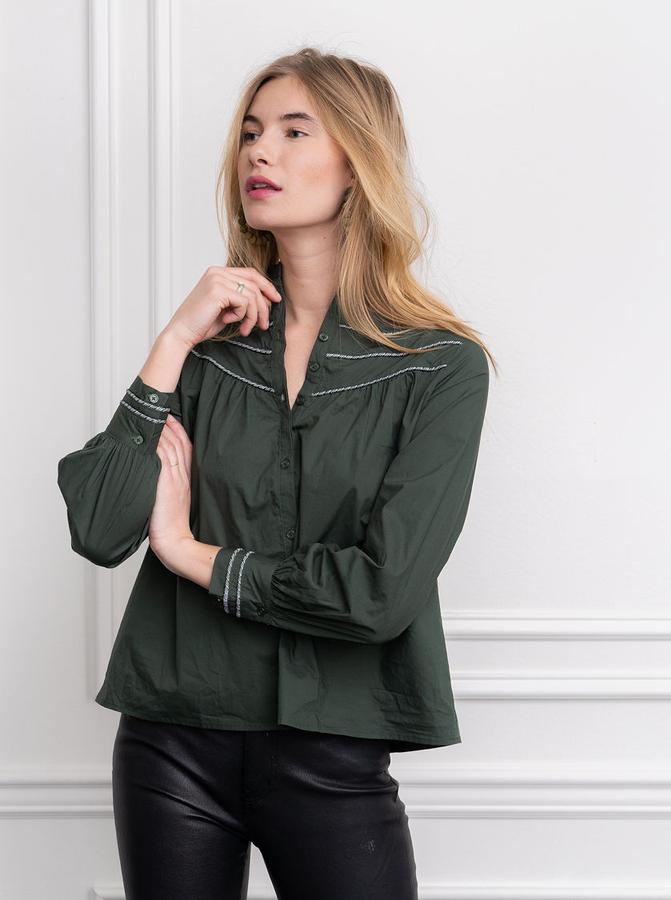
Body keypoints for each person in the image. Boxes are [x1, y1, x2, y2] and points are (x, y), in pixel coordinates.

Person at [57, 46, 496, 900]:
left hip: (335, 754)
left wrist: (191, 555)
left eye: (296, 131)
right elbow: (100, 527)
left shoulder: (440, 368)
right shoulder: (206, 352)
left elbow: (380, 593)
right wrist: (173, 341)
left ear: (359, 163)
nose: (260, 151)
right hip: (170, 745)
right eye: (252, 132)